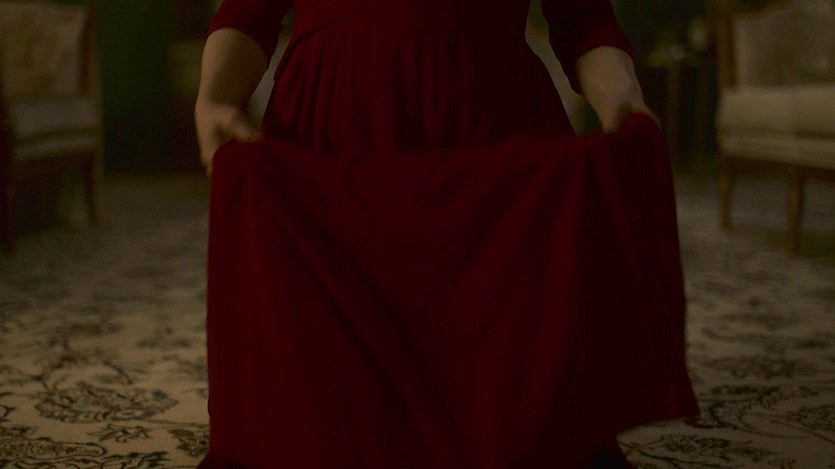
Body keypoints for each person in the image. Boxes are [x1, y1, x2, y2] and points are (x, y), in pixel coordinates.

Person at [194, 1, 699, 468]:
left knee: (499, 376)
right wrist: (213, 98)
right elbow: (250, 9)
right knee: (330, 404)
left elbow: (583, 17)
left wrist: (624, 100)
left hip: (489, 126)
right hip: (333, 128)